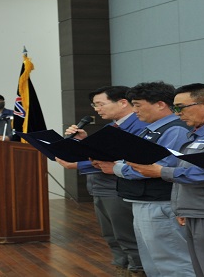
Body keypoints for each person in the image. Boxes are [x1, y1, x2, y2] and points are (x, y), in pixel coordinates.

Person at [125, 83, 204, 277]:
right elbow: (187, 170)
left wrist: (161, 172)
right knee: (203, 270)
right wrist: (182, 207)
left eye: (180, 108)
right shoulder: (199, 132)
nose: (177, 113)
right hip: (197, 210)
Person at [90, 82, 195, 277]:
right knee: (152, 262)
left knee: (173, 262)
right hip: (141, 200)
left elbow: (160, 166)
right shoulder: (149, 129)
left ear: (160, 104)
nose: (135, 110)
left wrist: (117, 168)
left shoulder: (175, 130)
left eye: (138, 105)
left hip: (160, 202)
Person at [56, 85, 148, 277]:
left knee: (126, 237)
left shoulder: (139, 126)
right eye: (94, 105)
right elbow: (101, 154)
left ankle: (136, 270)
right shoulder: (112, 126)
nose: (96, 109)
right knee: (112, 236)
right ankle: (122, 268)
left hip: (118, 187)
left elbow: (120, 159)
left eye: (100, 104)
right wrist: (82, 141)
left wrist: (77, 165)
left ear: (123, 102)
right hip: (101, 187)